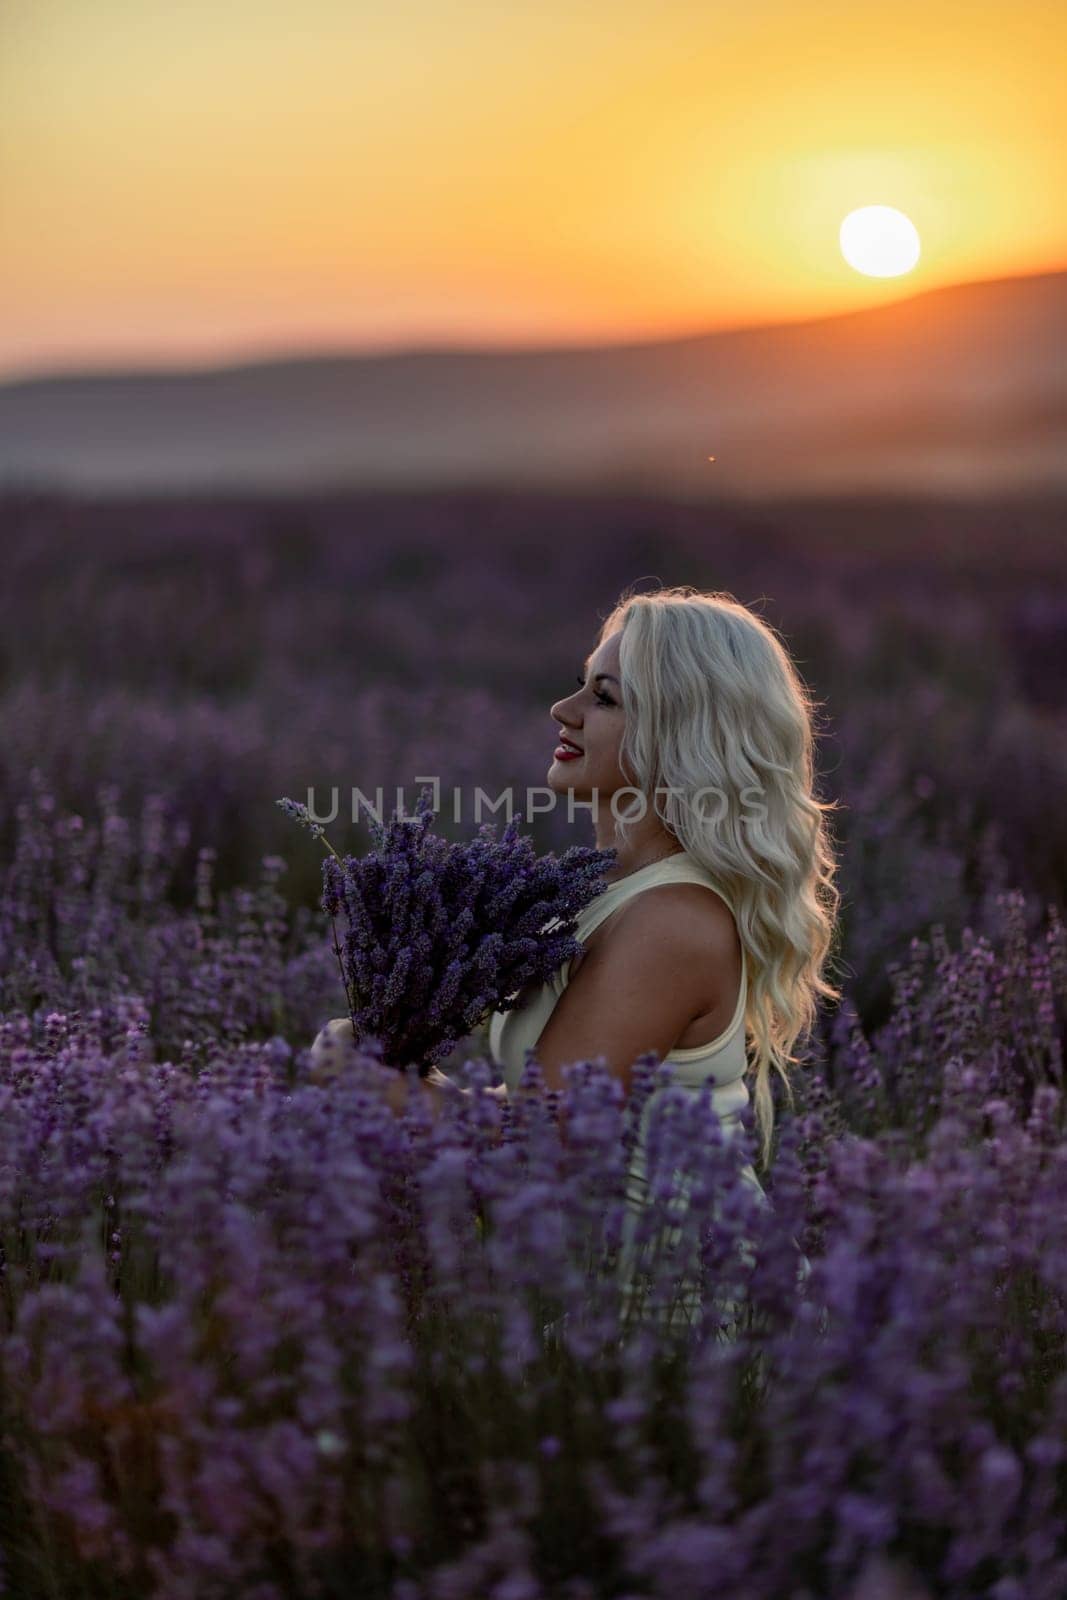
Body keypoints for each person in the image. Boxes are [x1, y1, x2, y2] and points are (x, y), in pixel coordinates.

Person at [485, 583, 842, 1335]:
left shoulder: (671, 922)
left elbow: (537, 1143)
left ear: (681, 730)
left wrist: (388, 1095)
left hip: (689, 1329)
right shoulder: (603, 893)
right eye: (583, 684)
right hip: (605, 1319)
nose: (565, 710)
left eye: (604, 698)